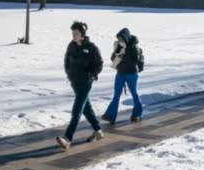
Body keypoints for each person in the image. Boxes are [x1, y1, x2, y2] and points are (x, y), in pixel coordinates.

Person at [57, 22, 104, 150]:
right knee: (86, 109)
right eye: (73, 33)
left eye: (76, 33)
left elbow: (99, 63)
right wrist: (69, 73)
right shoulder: (71, 46)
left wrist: (92, 75)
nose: (74, 35)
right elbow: (66, 61)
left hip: (85, 83)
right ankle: (98, 130)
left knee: (77, 110)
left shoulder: (91, 47)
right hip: (74, 82)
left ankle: (67, 139)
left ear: (82, 34)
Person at [102, 28, 144, 124]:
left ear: (126, 38)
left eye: (121, 39)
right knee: (116, 94)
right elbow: (113, 59)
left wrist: (126, 52)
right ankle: (110, 116)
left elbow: (135, 61)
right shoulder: (119, 47)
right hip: (120, 73)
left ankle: (137, 114)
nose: (120, 41)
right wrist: (117, 53)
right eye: (119, 39)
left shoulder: (134, 48)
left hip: (131, 74)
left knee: (134, 94)